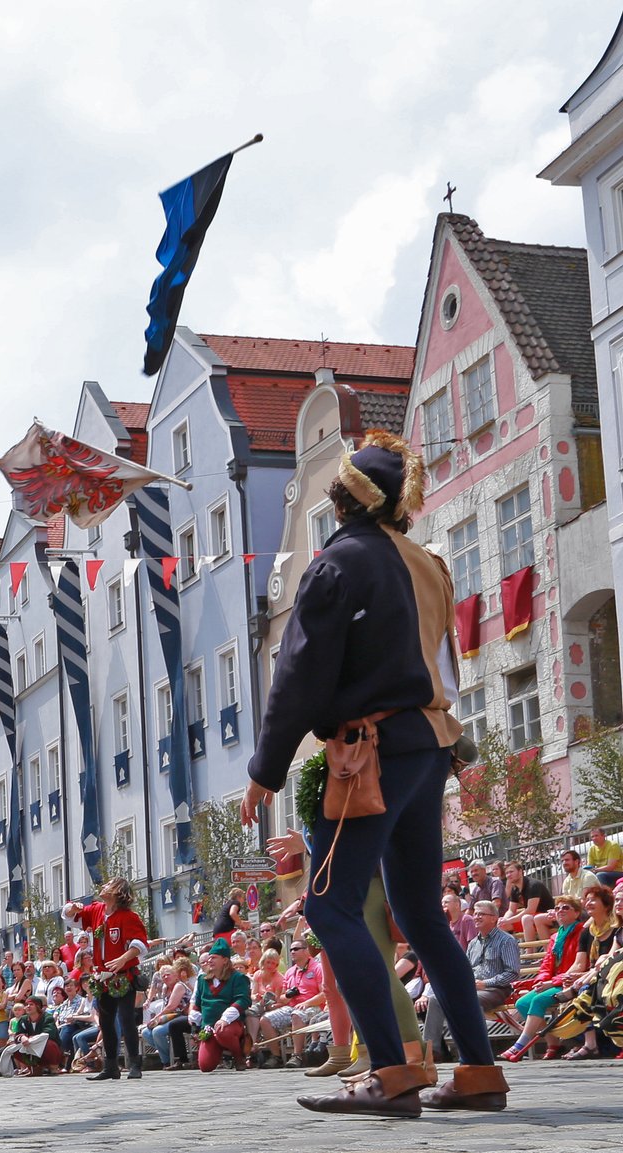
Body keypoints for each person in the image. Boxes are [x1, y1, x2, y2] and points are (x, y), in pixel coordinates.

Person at [243, 430, 504, 1116]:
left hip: (371, 754)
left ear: (343, 501)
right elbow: (445, 667)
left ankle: (390, 1072)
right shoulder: (430, 564)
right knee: (420, 912)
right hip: (429, 743)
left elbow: (296, 677)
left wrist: (265, 771)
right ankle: (479, 1070)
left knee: (331, 906)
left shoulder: (336, 565)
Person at [64, 877, 147, 1082]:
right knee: (106, 1022)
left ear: (118, 891)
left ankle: (134, 1064)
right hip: (101, 978)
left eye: (108, 885)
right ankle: (111, 1066)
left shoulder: (129, 917)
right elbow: (71, 918)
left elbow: (140, 943)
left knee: (127, 1019)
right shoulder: (97, 910)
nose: (103, 887)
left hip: (123, 976)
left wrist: (124, 958)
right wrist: (71, 908)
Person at [501, 893, 595, 1062]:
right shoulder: (555, 936)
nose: (560, 911)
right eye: (557, 908)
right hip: (552, 982)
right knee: (522, 1003)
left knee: (537, 1001)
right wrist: (541, 981)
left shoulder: (582, 932)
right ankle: (554, 1044)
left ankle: (521, 1044)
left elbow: (580, 966)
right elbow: (546, 965)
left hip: (571, 982)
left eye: (566, 907)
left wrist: (552, 982)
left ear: (576, 912)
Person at [424, 900, 518, 1063]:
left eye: (481, 913)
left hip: (496, 989)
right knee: (435, 1000)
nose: (476, 917)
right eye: (475, 913)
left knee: (466, 1002)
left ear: (494, 918)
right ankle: (430, 1051)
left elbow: (512, 973)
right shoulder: (473, 943)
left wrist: (486, 983)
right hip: (471, 987)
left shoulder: (506, 941)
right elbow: (467, 969)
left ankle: (472, 1053)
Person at [189, 939, 252, 1072]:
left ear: (225, 960)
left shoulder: (238, 978)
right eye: (209, 957)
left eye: (214, 957)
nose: (209, 960)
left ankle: (238, 1056)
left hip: (230, 1025)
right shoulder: (202, 980)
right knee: (205, 1067)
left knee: (223, 1032)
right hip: (209, 1027)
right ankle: (221, 1050)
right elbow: (197, 1003)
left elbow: (243, 1000)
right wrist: (194, 1016)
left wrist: (225, 1018)